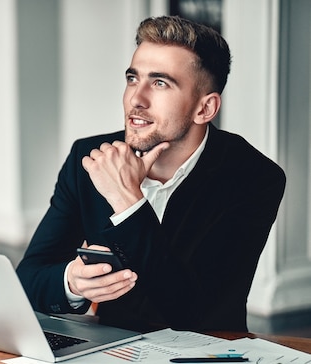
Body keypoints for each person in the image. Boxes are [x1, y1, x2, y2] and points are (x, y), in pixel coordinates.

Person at [16, 15, 286, 333]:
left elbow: (198, 313)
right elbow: (28, 278)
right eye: (133, 79)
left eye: (160, 83)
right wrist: (72, 283)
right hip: (105, 355)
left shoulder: (253, 179)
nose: (136, 98)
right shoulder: (89, 158)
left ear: (205, 109)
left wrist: (128, 201)